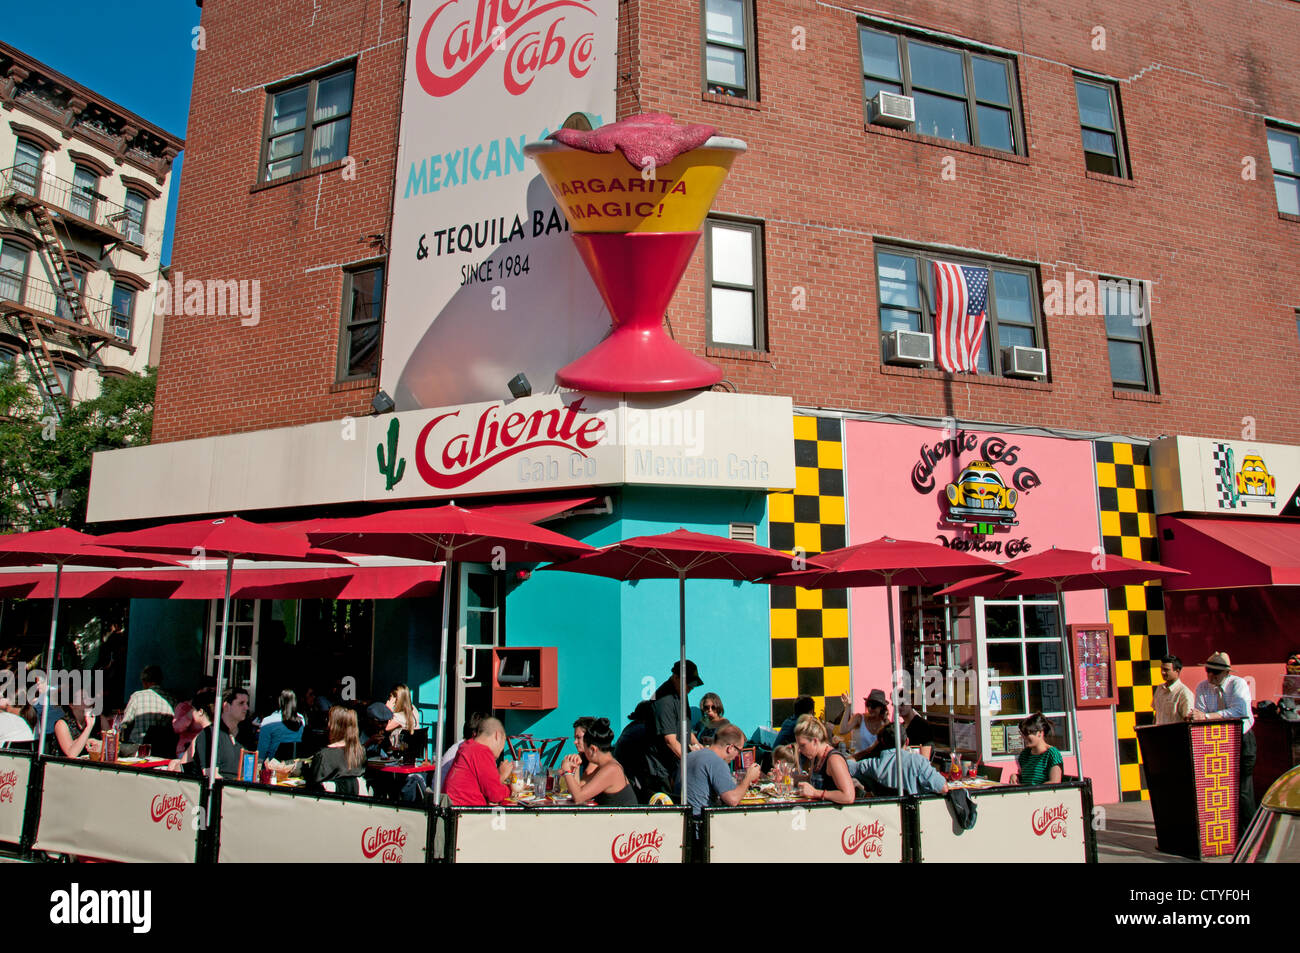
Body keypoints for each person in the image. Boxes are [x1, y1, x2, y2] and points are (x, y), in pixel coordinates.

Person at [1191, 651, 1256, 824]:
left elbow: (1239, 712)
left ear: (1227, 673)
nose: (1211, 675)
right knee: (1219, 789)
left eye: (1216, 672)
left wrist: (1207, 717)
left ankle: (1249, 831)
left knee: (1243, 789)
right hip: (1216, 742)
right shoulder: (1202, 687)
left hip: (1241, 739)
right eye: (1208, 670)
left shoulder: (1237, 684)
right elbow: (1199, 711)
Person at [677, 723, 762, 815]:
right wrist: (748, 777)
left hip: (683, 819)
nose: (738, 756)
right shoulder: (717, 762)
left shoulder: (690, 756)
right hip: (701, 822)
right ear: (730, 748)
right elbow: (733, 800)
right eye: (739, 751)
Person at [647, 660, 704, 796]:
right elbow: (670, 741)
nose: (691, 688)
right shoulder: (664, 700)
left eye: (693, 684)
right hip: (661, 769)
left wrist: (699, 746)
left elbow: (685, 728)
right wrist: (692, 762)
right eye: (688, 684)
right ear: (676, 677)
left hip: (675, 763)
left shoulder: (681, 692)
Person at [559, 717, 638, 806]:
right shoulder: (605, 766)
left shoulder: (612, 769)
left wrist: (567, 772)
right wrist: (576, 767)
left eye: (585, 748)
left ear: (593, 749)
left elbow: (579, 798)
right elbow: (578, 790)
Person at [851, 726, 948, 796]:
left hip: (884, 819)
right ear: (907, 741)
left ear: (882, 742)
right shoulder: (918, 762)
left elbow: (845, 766)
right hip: (912, 817)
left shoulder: (871, 765)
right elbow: (942, 787)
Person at [444, 716, 514, 807]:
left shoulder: (467, 746)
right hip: (467, 812)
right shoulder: (481, 751)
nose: (501, 750)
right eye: (502, 743)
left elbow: (488, 787)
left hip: (456, 807)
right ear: (497, 735)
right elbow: (496, 795)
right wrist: (511, 789)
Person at [183, 687, 251, 779]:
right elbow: (211, 776)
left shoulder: (245, 736)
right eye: (241, 703)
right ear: (226, 706)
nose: (246, 707)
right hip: (218, 790)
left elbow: (250, 772)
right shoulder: (209, 735)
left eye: (247, 703)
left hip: (240, 789)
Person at [305, 706, 367, 795]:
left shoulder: (324, 755)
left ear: (332, 726)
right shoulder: (360, 752)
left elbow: (311, 789)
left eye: (328, 720)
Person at [793, 715, 856, 804]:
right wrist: (789, 779)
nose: (799, 749)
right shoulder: (816, 757)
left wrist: (815, 793)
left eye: (803, 745)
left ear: (815, 741)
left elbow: (848, 796)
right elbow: (812, 780)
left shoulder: (834, 759)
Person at [119, 665, 177, 745]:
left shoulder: (137, 696)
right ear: (160, 681)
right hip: (162, 748)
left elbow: (125, 724)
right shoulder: (172, 700)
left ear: (144, 682)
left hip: (137, 747)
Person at [1010, 713, 1063, 785]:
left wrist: (1033, 790)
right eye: (1023, 734)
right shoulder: (1025, 754)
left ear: (1040, 733)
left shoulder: (1052, 754)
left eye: (1027, 734)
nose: (1024, 738)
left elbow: (1054, 783)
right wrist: (1016, 776)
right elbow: (1027, 778)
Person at [172, 676, 217, 757]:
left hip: (210, 749)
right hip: (187, 749)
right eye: (209, 691)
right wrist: (191, 712)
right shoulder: (184, 707)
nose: (210, 694)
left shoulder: (216, 708)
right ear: (199, 691)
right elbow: (177, 728)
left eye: (214, 692)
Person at [439, 712, 487, 788]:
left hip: (442, 795)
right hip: (446, 797)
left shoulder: (461, 747)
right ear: (475, 734)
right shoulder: (465, 751)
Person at [256, 689, 305, 762]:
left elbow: (261, 752)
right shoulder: (301, 719)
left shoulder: (268, 721)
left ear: (278, 701)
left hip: (274, 767)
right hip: (295, 766)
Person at [51, 687, 99, 759]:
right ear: (72, 705)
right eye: (83, 698)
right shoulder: (62, 724)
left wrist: (97, 743)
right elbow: (71, 754)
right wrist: (89, 727)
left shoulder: (94, 719)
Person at [1152, 654, 1194, 725]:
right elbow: (1156, 714)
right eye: (1162, 669)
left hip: (1175, 735)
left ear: (1177, 671)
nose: (1162, 672)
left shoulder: (1184, 692)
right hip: (1159, 734)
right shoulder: (1159, 688)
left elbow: (1188, 720)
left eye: (1166, 670)